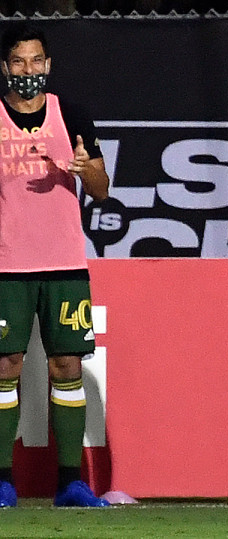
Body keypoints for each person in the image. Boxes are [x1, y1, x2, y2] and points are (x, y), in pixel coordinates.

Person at [0, 25, 110, 508]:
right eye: (18, 62)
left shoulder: (72, 115)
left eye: (36, 61)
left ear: (48, 65)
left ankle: (71, 484)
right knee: (5, 366)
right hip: (6, 265)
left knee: (67, 365)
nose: (28, 70)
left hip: (64, 263)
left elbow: (102, 190)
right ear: (5, 67)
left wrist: (86, 169)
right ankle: (2, 481)